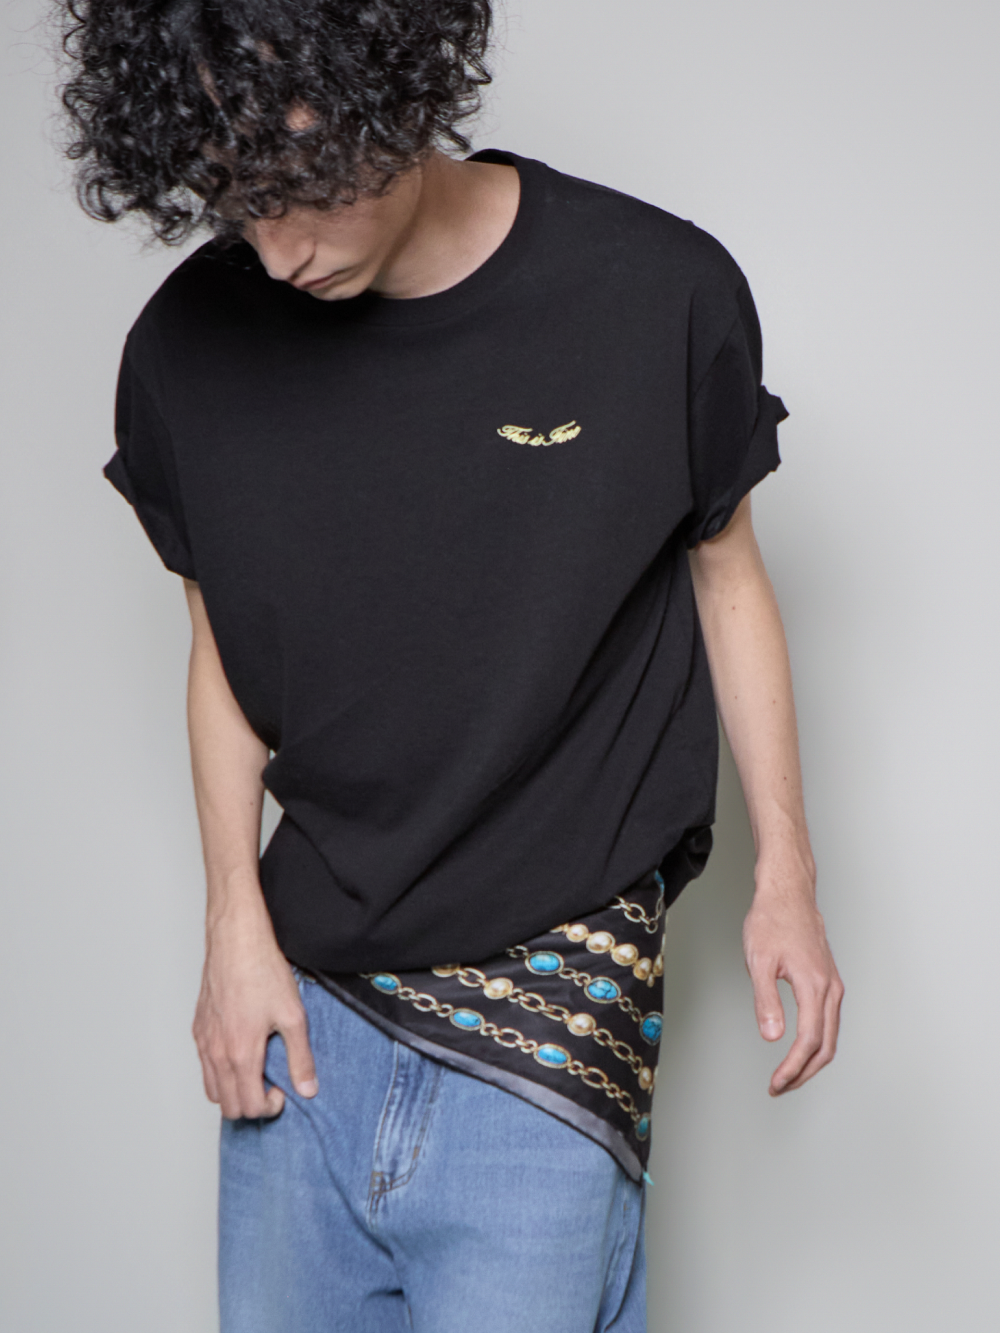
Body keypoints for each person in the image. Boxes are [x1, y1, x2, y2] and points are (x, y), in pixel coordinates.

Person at [61, 2, 844, 1329]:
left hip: (544, 1023)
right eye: (238, 199)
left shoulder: (656, 291)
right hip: (301, 1026)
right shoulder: (186, 350)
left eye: (305, 185)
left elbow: (727, 576)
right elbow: (222, 650)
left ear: (393, 92)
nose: (279, 252)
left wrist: (789, 879)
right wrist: (231, 931)